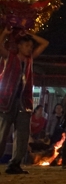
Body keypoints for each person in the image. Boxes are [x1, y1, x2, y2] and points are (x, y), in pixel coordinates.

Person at [0, 28, 49, 175]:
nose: (29, 49)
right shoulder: (10, 57)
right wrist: (4, 34)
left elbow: (45, 43)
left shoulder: (29, 59)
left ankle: (15, 164)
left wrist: (30, 34)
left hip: (23, 101)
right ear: (19, 46)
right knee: (2, 134)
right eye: (27, 46)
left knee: (22, 134)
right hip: (6, 100)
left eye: (31, 46)